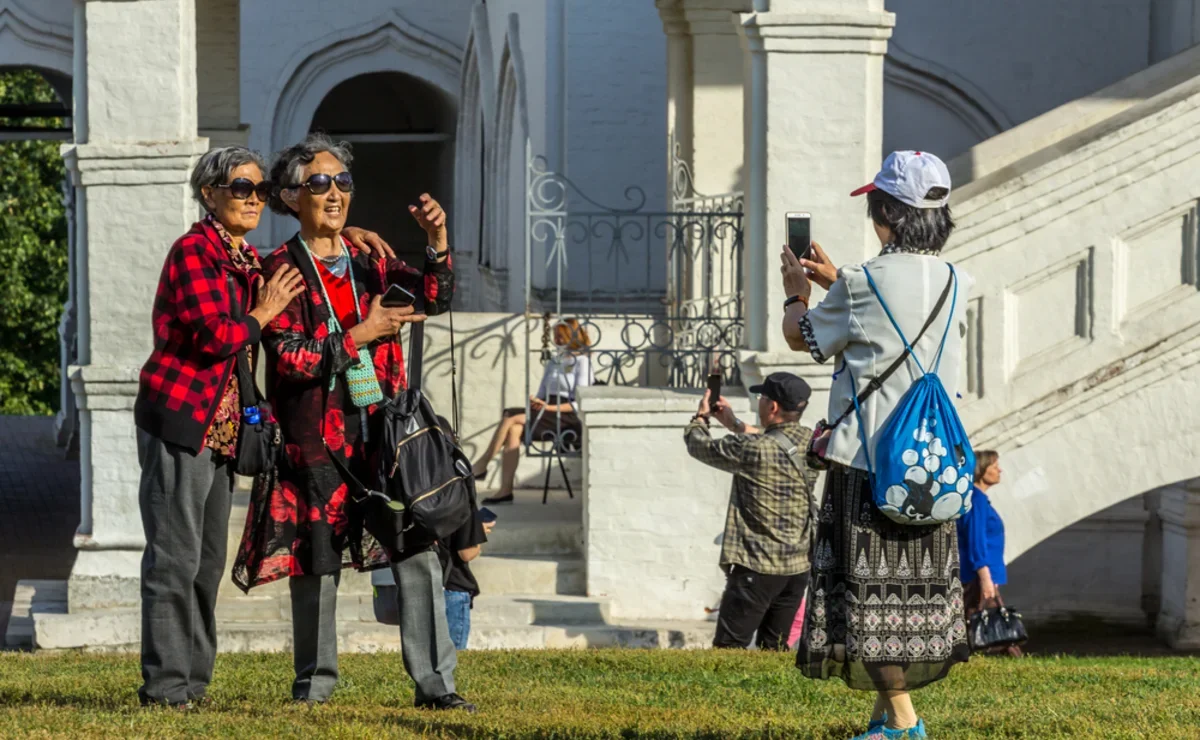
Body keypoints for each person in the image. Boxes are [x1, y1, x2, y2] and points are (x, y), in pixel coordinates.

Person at [133, 145, 393, 709]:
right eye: (240, 188)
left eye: (258, 190)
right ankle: (166, 688)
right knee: (174, 558)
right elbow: (216, 338)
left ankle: (191, 685)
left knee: (204, 564)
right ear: (210, 195)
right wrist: (263, 314)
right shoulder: (194, 253)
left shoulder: (243, 256)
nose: (254, 199)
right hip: (182, 420)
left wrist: (352, 235)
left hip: (222, 429)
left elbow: (303, 237)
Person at [230, 133, 473, 712]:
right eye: (319, 183)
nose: (335, 193)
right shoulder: (281, 269)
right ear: (291, 197)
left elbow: (434, 298)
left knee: (415, 554)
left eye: (342, 182)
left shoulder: (373, 259)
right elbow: (286, 356)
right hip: (318, 442)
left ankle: (437, 686)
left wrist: (436, 239)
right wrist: (358, 336)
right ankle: (314, 687)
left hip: (386, 435)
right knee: (316, 566)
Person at [781, 151, 975, 739]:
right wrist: (839, 280)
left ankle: (907, 725)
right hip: (928, 465)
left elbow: (801, 339)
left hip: (866, 463)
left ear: (886, 212)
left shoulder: (863, 284)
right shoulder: (955, 279)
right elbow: (897, 317)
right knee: (908, 600)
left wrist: (796, 291)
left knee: (865, 600)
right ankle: (885, 723)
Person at [684, 372, 820, 650]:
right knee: (776, 647)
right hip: (797, 568)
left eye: (762, 398)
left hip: (757, 566)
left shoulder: (751, 450)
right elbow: (778, 441)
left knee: (730, 647)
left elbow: (699, 445)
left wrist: (700, 418)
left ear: (772, 407)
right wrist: (734, 424)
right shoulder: (812, 442)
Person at [473, 318, 594, 505]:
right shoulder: (556, 360)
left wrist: (549, 408)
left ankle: (482, 465)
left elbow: (580, 401)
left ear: (572, 336)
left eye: (561, 336)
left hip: (567, 415)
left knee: (511, 416)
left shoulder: (582, 362)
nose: (557, 340)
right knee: (514, 429)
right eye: (555, 337)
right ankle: (505, 491)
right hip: (546, 410)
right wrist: (536, 401)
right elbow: (542, 391)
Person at [435, 416, 495, 650]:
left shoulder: (415, 482)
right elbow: (466, 552)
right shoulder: (459, 483)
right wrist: (478, 532)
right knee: (453, 661)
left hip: (425, 586)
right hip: (453, 587)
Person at [956, 450, 1020, 657]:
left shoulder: (978, 499)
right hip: (978, 572)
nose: (999, 470)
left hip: (982, 571)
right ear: (981, 470)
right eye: (994, 466)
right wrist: (985, 576)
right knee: (987, 616)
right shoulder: (976, 500)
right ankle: (1010, 653)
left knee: (983, 614)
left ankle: (1003, 652)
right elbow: (976, 540)